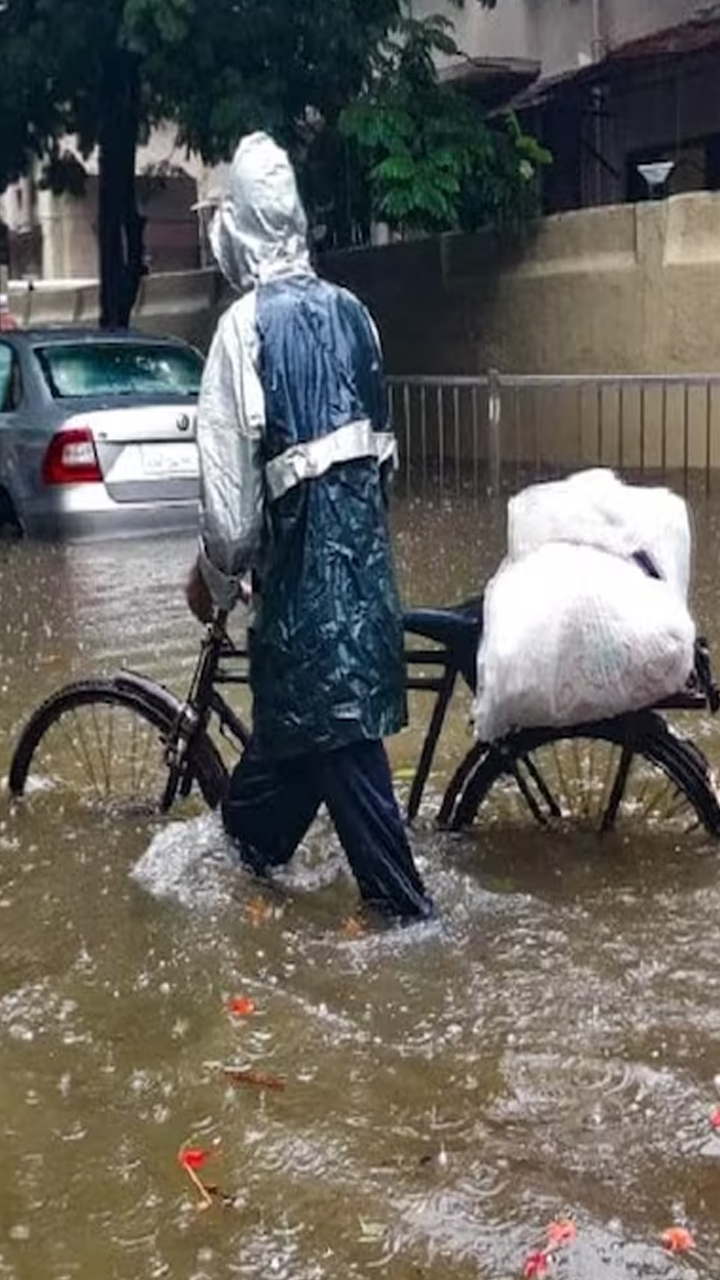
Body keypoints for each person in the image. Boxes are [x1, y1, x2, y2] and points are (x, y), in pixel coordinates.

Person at [186, 131, 433, 924]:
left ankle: (405, 1005)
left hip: (303, 635)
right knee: (242, 847)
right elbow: (376, 467)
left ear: (240, 230)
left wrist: (215, 581)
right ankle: (248, 925)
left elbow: (229, 517)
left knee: (400, 906)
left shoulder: (242, 330)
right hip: (364, 611)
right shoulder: (356, 316)